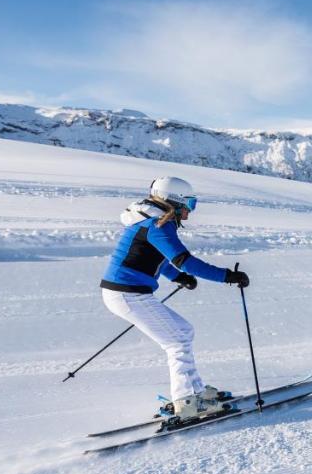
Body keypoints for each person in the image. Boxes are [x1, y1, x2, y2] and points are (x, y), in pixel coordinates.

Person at [99, 176, 250, 421]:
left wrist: (177, 277)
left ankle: (195, 392)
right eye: (189, 204)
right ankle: (186, 402)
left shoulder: (150, 223)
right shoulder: (158, 224)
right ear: (174, 201)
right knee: (177, 341)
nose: (190, 211)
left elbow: (159, 259)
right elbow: (185, 261)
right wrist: (226, 276)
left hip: (127, 292)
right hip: (126, 294)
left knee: (183, 331)